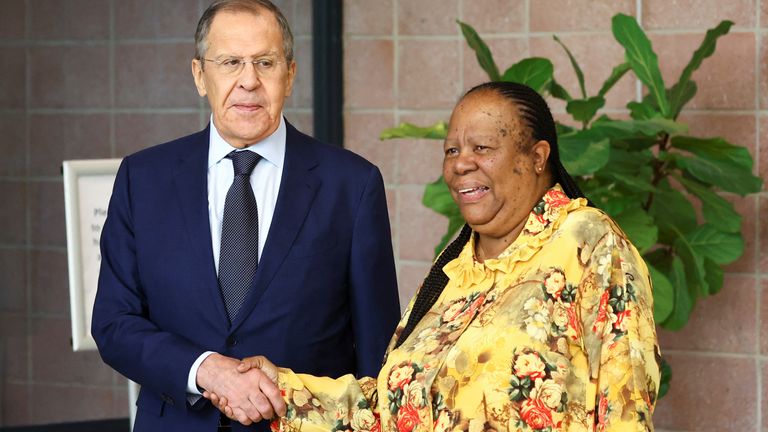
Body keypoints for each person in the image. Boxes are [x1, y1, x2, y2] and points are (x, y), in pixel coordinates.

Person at [209, 81, 662, 431]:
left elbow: (624, 409)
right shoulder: (453, 268)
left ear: (538, 156)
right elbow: (387, 410)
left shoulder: (589, 244)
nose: (460, 163)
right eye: (452, 150)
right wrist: (280, 389)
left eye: (482, 147)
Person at [91, 1, 400, 430]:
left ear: (290, 75)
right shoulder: (143, 178)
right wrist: (205, 370)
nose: (249, 81)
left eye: (265, 63)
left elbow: (378, 350)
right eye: (230, 62)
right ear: (200, 75)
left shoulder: (352, 184)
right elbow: (113, 323)